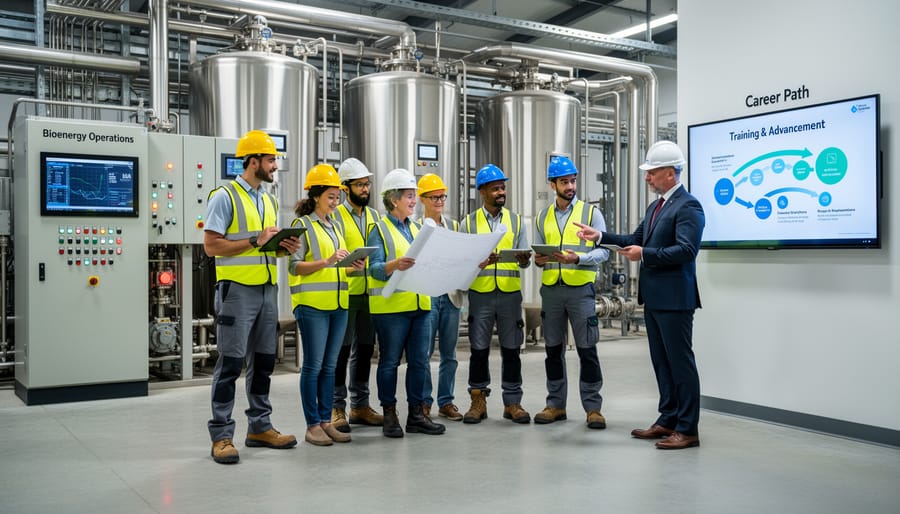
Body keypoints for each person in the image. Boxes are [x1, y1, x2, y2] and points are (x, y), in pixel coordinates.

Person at [574, 140, 705, 450]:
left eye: (652, 172)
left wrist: (645, 253)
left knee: (680, 364)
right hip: (656, 298)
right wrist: (601, 237)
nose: (647, 178)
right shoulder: (657, 206)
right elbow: (633, 239)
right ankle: (668, 419)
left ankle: (688, 429)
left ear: (671, 174)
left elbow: (687, 250)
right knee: (662, 362)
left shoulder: (688, 206)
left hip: (675, 299)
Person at [204, 130, 300, 464]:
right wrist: (256, 241)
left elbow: (265, 246)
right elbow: (211, 245)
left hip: (267, 290)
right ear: (254, 161)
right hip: (236, 292)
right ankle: (222, 435)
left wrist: (284, 247)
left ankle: (260, 426)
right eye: (271, 160)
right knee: (230, 363)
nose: (275, 166)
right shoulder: (225, 196)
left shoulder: (270, 200)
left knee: (262, 364)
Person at [289, 164, 365, 446]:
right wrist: (329, 261)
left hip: (338, 304)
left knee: (330, 367)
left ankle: (325, 420)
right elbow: (295, 267)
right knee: (313, 366)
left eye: (337, 197)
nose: (335, 202)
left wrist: (351, 266)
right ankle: (311, 425)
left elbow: (336, 267)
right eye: (331, 197)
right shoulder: (302, 225)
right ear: (316, 195)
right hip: (312, 306)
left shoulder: (335, 226)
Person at [367, 168, 446, 437]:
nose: (414, 201)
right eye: (410, 196)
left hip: (421, 305)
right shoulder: (378, 229)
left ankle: (416, 415)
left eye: (414, 196)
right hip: (391, 309)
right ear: (394, 199)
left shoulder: (417, 229)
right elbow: (374, 269)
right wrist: (395, 264)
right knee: (389, 362)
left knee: (420, 363)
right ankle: (389, 414)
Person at [532, 156, 609, 429]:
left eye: (573, 180)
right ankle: (555, 405)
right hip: (551, 290)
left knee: (587, 350)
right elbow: (539, 252)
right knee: (552, 350)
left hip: (581, 292)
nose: (570, 186)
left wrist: (577, 259)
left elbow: (604, 250)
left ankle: (593, 408)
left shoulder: (591, 214)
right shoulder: (542, 217)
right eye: (564, 181)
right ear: (553, 184)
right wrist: (538, 260)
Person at [460, 164, 532, 425]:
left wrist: (524, 259)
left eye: (503, 187)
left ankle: (513, 402)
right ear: (482, 192)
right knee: (479, 350)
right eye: (495, 188)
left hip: (510, 295)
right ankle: (478, 401)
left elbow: (525, 261)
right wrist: (478, 261)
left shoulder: (515, 220)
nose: (501, 192)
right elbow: (461, 261)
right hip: (481, 295)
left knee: (512, 350)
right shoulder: (468, 223)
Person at [329, 158, 383, 433]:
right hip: (345, 294)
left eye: (367, 184)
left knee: (364, 350)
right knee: (341, 352)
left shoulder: (375, 217)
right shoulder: (335, 216)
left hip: (370, 295)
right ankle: (337, 407)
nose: (365, 189)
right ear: (345, 188)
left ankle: (360, 405)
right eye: (359, 185)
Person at [416, 173, 463, 421]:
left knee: (450, 354)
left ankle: (446, 402)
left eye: (442, 196)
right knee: (423, 353)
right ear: (422, 199)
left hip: (451, 295)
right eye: (434, 197)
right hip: (428, 296)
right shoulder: (414, 228)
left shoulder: (454, 226)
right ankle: (424, 402)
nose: (439, 201)